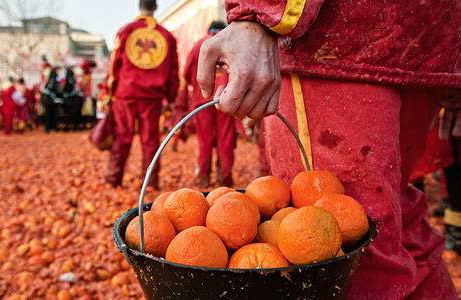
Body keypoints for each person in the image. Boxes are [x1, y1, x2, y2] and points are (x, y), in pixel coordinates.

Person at [196, 1, 460, 298]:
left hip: (340, 45)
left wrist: (257, 13)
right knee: (391, 223)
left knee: (343, 255)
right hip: (423, 42)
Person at [104, 0, 179, 189]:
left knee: (122, 137)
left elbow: (114, 65)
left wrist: (108, 92)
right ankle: (150, 184)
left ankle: (113, 180)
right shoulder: (166, 36)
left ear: (139, 7)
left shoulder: (126, 31)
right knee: (150, 141)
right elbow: (173, 71)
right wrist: (170, 98)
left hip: (125, 95)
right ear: (155, 7)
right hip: (152, 97)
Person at [182, 21, 235, 187]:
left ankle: (203, 178)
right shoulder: (231, 42)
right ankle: (224, 179)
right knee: (225, 139)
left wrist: (198, 88)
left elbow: (186, 72)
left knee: (204, 139)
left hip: (202, 99)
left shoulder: (200, 44)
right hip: (226, 97)